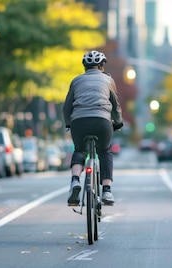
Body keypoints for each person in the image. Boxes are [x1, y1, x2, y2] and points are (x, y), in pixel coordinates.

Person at [63, 50, 123, 206]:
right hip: (102, 121)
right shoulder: (108, 80)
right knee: (105, 151)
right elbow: (115, 105)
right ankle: (107, 190)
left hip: (79, 122)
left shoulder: (76, 81)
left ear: (85, 67)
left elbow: (67, 106)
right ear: (102, 66)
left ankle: (75, 181)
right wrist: (118, 122)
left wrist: (68, 122)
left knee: (79, 150)